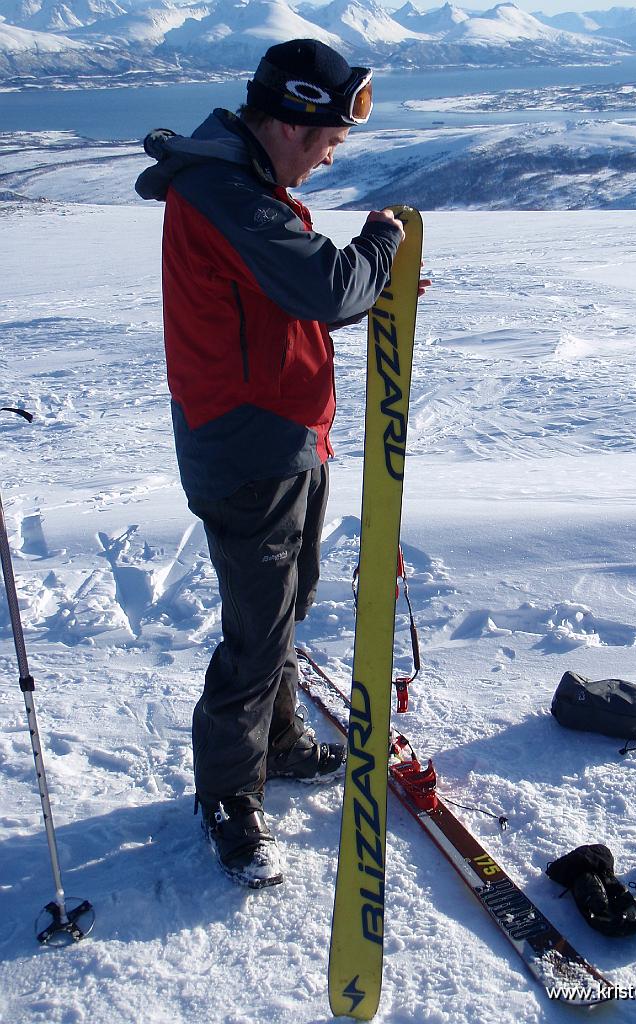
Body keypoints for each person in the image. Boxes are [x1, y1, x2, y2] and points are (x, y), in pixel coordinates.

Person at [135, 38, 424, 889]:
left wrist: (362, 284)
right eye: (330, 135)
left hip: (283, 431)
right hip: (246, 444)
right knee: (257, 629)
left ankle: (281, 737)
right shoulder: (226, 190)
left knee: (289, 601)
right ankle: (229, 791)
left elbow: (288, 303)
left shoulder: (246, 184)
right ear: (292, 119)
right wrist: (374, 253)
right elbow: (321, 288)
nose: (334, 150)